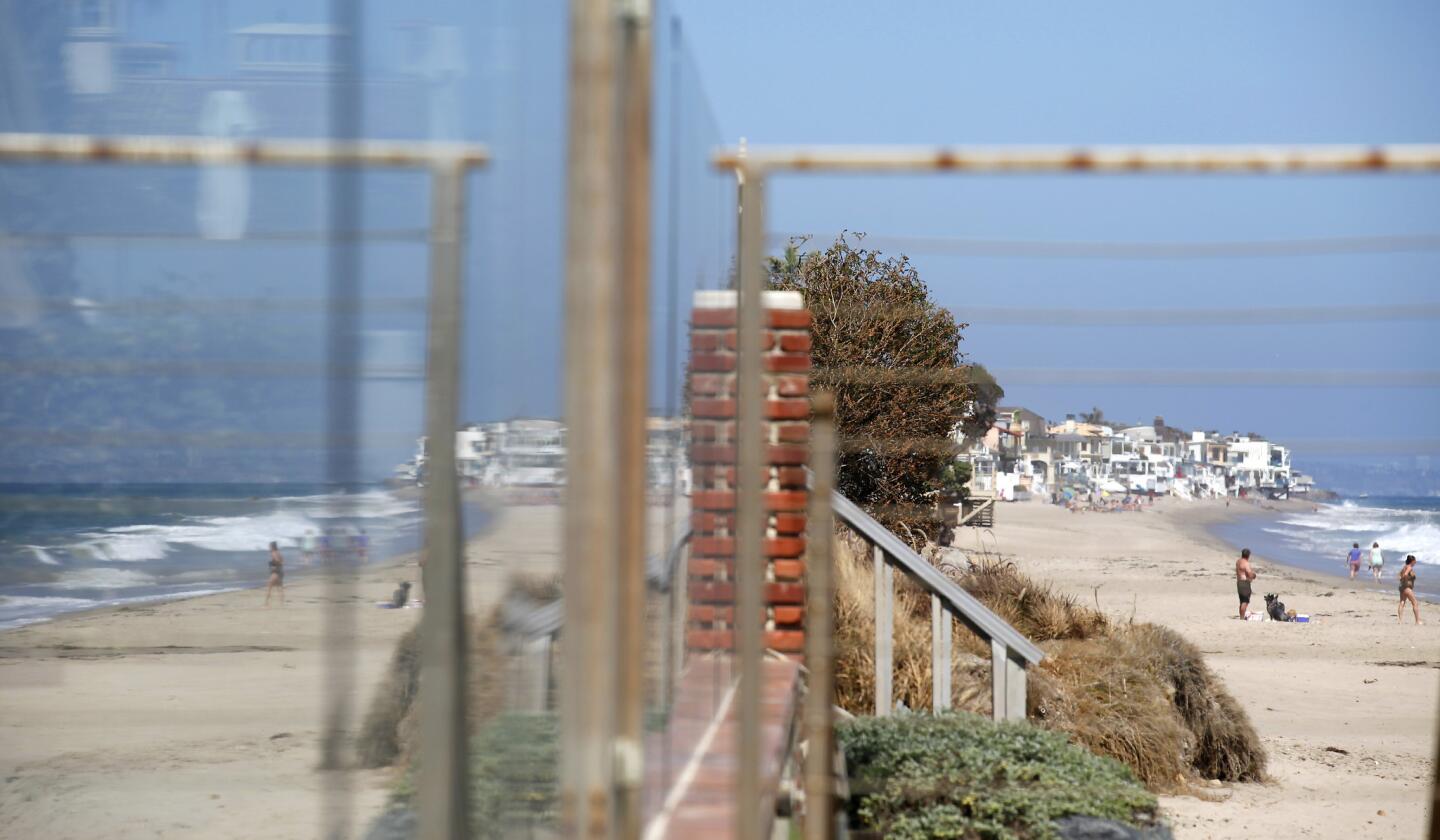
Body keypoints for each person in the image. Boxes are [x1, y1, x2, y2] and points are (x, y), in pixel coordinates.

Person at [1397, 556, 1422, 624]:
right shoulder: (1409, 567)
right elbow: (1405, 575)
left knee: (1402, 602)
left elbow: (1399, 575)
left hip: (1401, 587)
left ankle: (1400, 620)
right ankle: (1417, 621)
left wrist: (1402, 580)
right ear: (1412, 561)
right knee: (1415, 603)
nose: (1416, 562)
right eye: (1415, 561)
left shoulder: (1404, 567)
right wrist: (1405, 580)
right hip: (1406, 587)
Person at [1236, 548, 1258, 620]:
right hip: (1245, 583)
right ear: (1248, 555)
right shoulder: (1246, 563)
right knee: (1245, 601)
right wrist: (1254, 575)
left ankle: (1241, 617)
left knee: (1242, 601)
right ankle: (1242, 618)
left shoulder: (1238, 561)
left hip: (1239, 582)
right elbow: (1249, 574)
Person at [266, 541, 285, 607]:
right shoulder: (279, 553)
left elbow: (277, 561)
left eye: (270, 546)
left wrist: (272, 563)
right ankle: (282, 604)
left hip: (275, 572)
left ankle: (266, 603)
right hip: (281, 572)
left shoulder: (273, 553)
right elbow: (283, 562)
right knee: (279, 588)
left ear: (272, 547)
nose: (269, 548)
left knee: (269, 587)